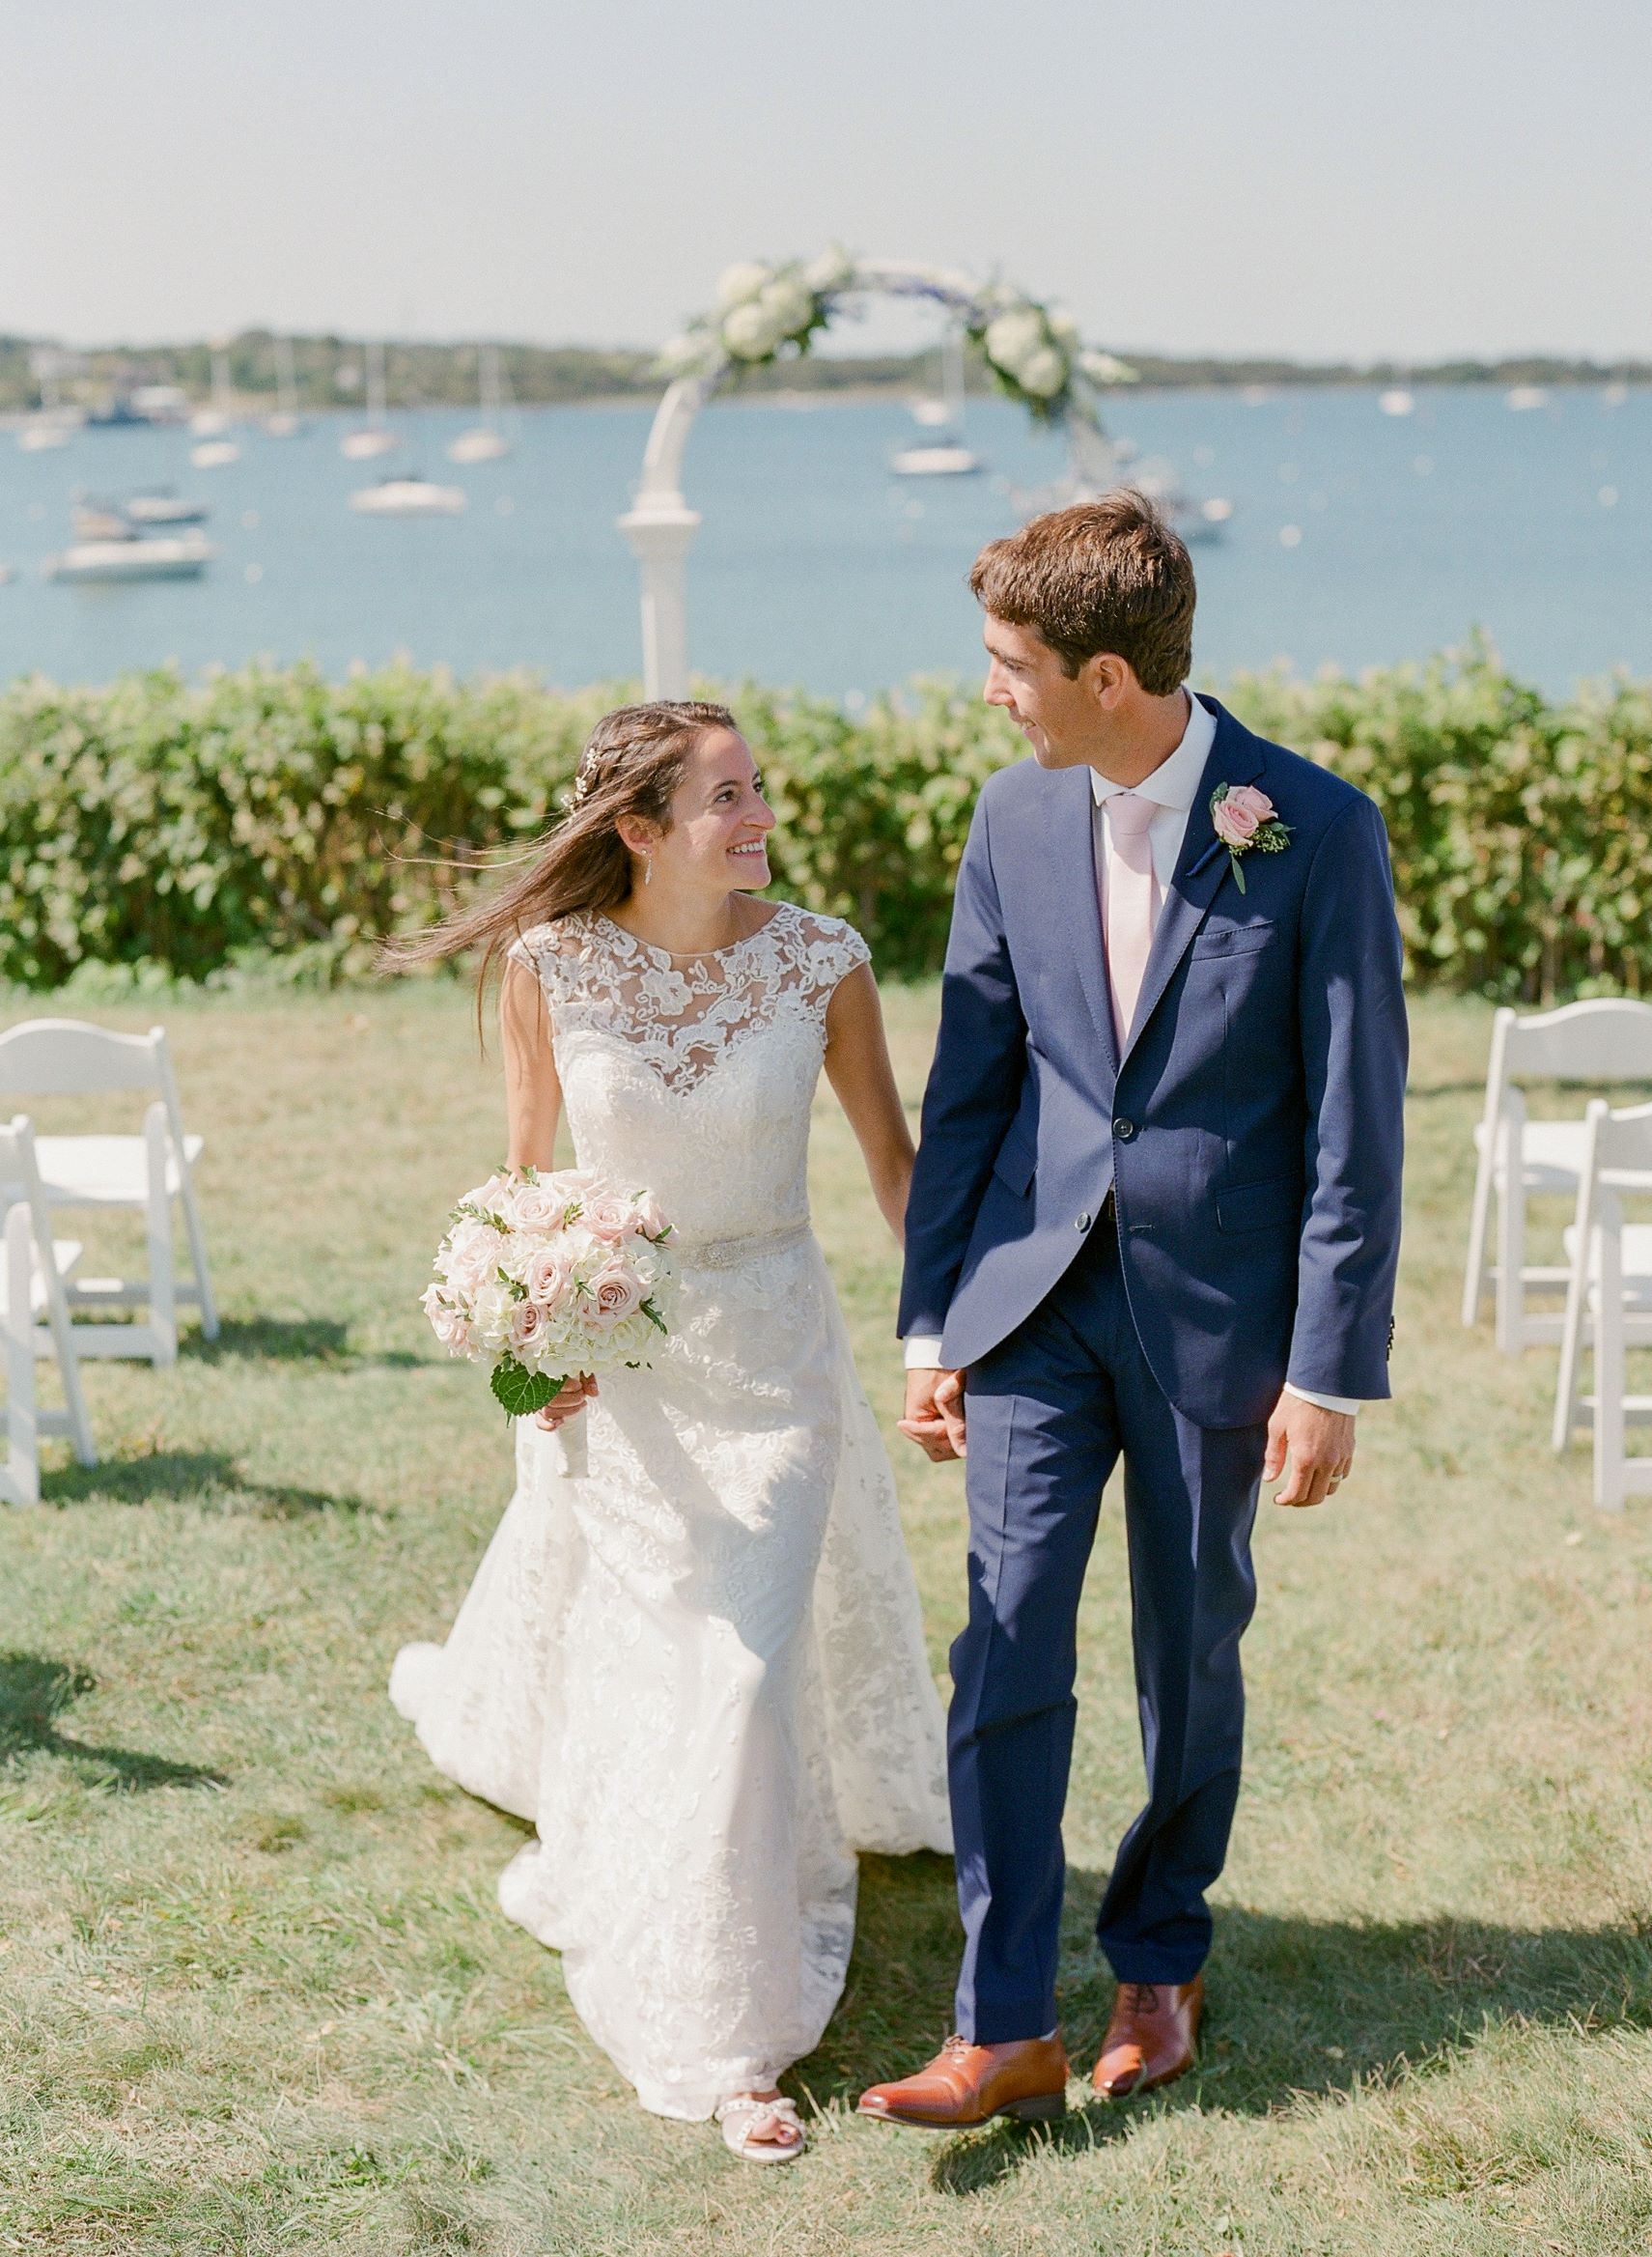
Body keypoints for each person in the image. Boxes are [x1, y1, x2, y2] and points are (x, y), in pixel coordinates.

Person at [858, 494, 1407, 2131]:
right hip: (1029, 1299)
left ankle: (1156, 1957)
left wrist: (1329, 1370)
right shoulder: (1011, 820)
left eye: (1009, 663)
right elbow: (970, 1087)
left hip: (1217, 1321)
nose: (989, 691)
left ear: (1110, 671)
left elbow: (1353, 1125)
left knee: (1190, 1649)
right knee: (1006, 1634)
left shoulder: (1313, 827)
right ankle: (1003, 2019)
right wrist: (929, 1320)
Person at [388, 700, 950, 2162]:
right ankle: (691, 1968)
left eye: (759, 788)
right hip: (622, 1375)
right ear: (639, 828)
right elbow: (517, 1182)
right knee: (668, 1664)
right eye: (725, 797)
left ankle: (733, 2033)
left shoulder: (822, 963)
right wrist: (528, 1346)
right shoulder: (549, 968)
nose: (758, 816)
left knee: (752, 1670)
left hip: (776, 1367)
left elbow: (895, 1161)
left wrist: (939, 1330)